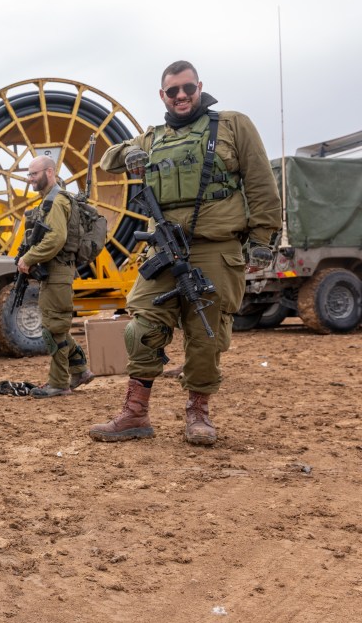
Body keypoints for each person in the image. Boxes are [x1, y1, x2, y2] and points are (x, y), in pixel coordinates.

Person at [89, 60, 281, 445]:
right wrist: (128, 153)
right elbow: (107, 158)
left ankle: (198, 412)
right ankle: (135, 413)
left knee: (205, 335)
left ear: (199, 88)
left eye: (188, 88)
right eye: (173, 90)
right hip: (164, 249)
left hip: (216, 247)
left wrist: (262, 240)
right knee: (142, 324)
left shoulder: (232, 124)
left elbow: (261, 184)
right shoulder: (153, 137)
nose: (181, 96)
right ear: (163, 95)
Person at [16, 156, 95, 398]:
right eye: (28, 175)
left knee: (53, 328)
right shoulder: (49, 202)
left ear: (49, 172)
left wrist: (29, 258)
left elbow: (56, 238)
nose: (30, 179)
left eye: (34, 174)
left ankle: (59, 382)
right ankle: (80, 369)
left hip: (59, 270)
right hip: (54, 271)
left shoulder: (58, 201)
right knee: (55, 325)